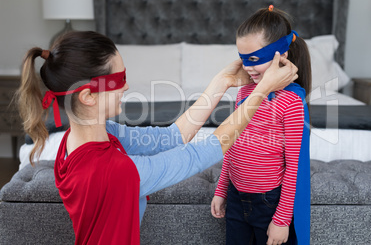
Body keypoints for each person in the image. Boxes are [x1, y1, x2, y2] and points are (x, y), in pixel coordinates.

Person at [16, 30, 297, 244]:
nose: (126, 86)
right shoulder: (112, 170)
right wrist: (262, 93)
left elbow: (171, 138)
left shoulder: (83, 139)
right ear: (89, 96)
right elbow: (200, 154)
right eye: (118, 79)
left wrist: (222, 82)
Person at [211, 5, 311, 245]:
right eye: (243, 58)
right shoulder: (243, 91)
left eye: (254, 59)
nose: (247, 67)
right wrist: (221, 189)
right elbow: (232, 144)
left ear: (282, 54)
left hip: (269, 203)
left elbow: (294, 166)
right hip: (236, 197)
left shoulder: (291, 102)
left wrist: (282, 220)